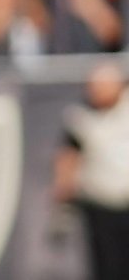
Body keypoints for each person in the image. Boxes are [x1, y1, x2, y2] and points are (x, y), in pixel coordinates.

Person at [57, 61, 129, 280]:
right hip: (100, 204)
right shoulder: (81, 116)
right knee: (107, 267)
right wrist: (63, 200)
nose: (96, 92)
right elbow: (69, 158)